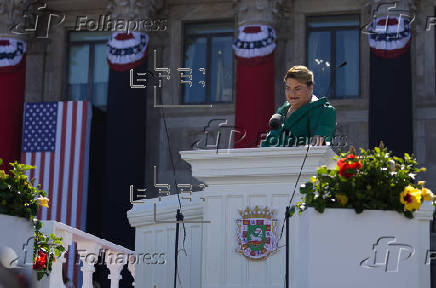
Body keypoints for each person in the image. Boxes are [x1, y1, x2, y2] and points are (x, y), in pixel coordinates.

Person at [260, 65, 336, 147]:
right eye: (288, 88)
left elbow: (317, 144)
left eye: (297, 88)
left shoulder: (325, 111)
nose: (292, 94)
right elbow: (268, 144)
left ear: (310, 87)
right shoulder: (281, 112)